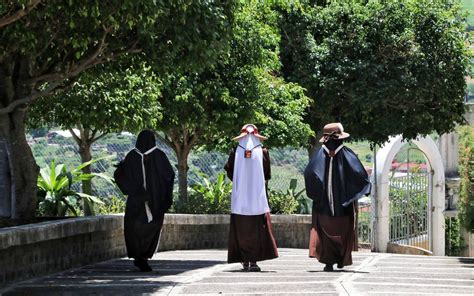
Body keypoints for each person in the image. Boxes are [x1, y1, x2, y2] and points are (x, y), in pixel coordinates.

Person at [304, 123, 371, 271]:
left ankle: (329, 262)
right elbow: (359, 175)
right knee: (343, 231)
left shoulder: (319, 156)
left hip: (324, 207)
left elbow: (309, 173)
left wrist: (318, 192)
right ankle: (340, 259)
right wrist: (361, 189)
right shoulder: (348, 154)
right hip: (343, 207)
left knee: (326, 231)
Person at [114, 130, 175, 272]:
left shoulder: (131, 156)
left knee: (134, 228)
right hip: (155, 203)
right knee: (151, 227)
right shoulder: (159, 156)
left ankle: (138, 257)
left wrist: (132, 190)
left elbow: (119, 175)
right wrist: (164, 197)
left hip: (135, 202)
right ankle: (144, 257)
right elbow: (169, 176)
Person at [224, 124, 278, 272]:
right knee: (257, 231)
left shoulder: (235, 152)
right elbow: (267, 174)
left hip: (239, 202)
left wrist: (240, 182)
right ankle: (253, 262)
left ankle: (244, 261)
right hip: (258, 201)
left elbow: (230, 171)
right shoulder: (263, 152)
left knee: (241, 231)